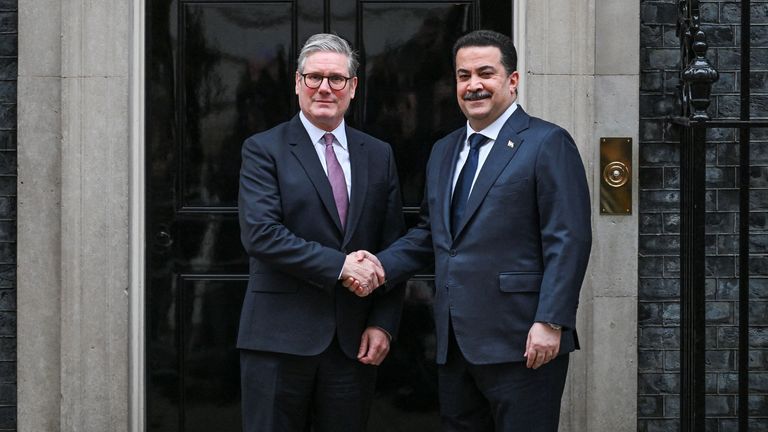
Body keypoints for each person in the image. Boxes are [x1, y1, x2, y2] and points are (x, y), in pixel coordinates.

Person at [347, 30, 592, 431]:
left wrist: (551, 320)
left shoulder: (548, 143)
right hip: (456, 344)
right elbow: (431, 234)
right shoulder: (444, 150)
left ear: (512, 81)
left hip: (523, 340)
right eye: (463, 76)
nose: (473, 85)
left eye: (485, 73)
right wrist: (378, 266)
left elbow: (569, 238)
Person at [237, 33, 405, 432]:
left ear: (353, 88)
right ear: (297, 83)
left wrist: (383, 323)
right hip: (277, 341)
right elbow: (261, 234)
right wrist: (341, 266)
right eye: (314, 78)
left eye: (336, 79)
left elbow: (393, 245)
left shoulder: (378, 154)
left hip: (352, 344)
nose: (325, 88)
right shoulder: (264, 149)